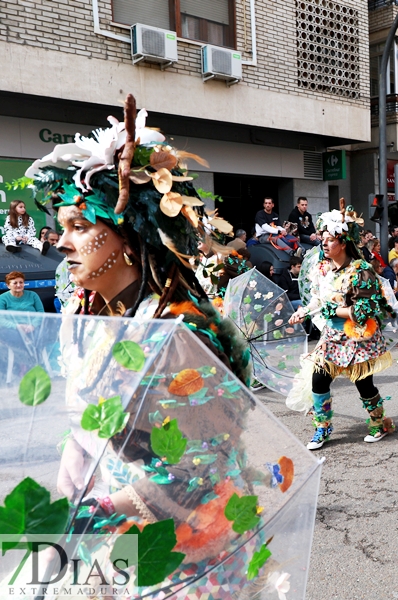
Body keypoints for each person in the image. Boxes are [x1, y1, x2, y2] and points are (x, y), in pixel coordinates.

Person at [25, 97, 265, 589]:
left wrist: (103, 509)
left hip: (181, 535)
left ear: (129, 239)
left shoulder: (177, 331)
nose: (62, 242)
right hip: (110, 524)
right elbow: (91, 420)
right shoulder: (86, 315)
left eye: (80, 227)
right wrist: (73, 472)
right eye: (61, 228)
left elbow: (203, 464)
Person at [288, 201, 396, 450]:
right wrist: (303, 311)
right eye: (322, 239)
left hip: (355, 336)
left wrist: (335, 310)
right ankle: (322, 427)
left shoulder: (361, 271)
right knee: (319, 379)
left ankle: (379, 423)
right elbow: (317, 299)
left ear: (344, 242)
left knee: (363, 384)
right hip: (331, 337)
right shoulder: (323, 269)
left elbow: (365, 311)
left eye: (330, 239)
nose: (324, 243)